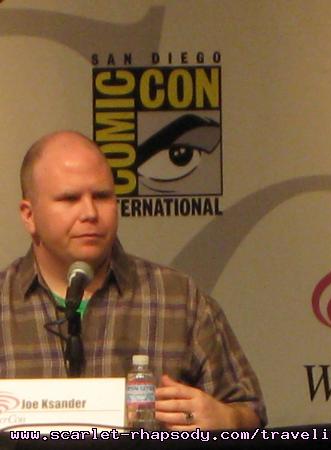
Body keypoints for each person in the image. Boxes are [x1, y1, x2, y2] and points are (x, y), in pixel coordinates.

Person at [1, 130, 266, 430]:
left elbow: (251, 412)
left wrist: (227, 419)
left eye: (102, 196)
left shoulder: (177, 299)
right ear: (29, 215)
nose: (90, 212)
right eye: (70, 198)